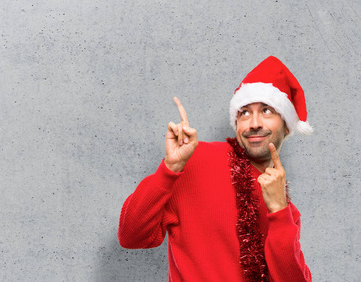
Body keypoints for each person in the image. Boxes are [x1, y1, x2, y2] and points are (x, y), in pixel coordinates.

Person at [118, 56, 313, 281]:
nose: (254, 123)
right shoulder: (195, 160)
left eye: (267, 110)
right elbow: (131, 236)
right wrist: (170, 168)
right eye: (245, 112)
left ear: (287, 126)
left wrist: (279, 211)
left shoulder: (288, 212)